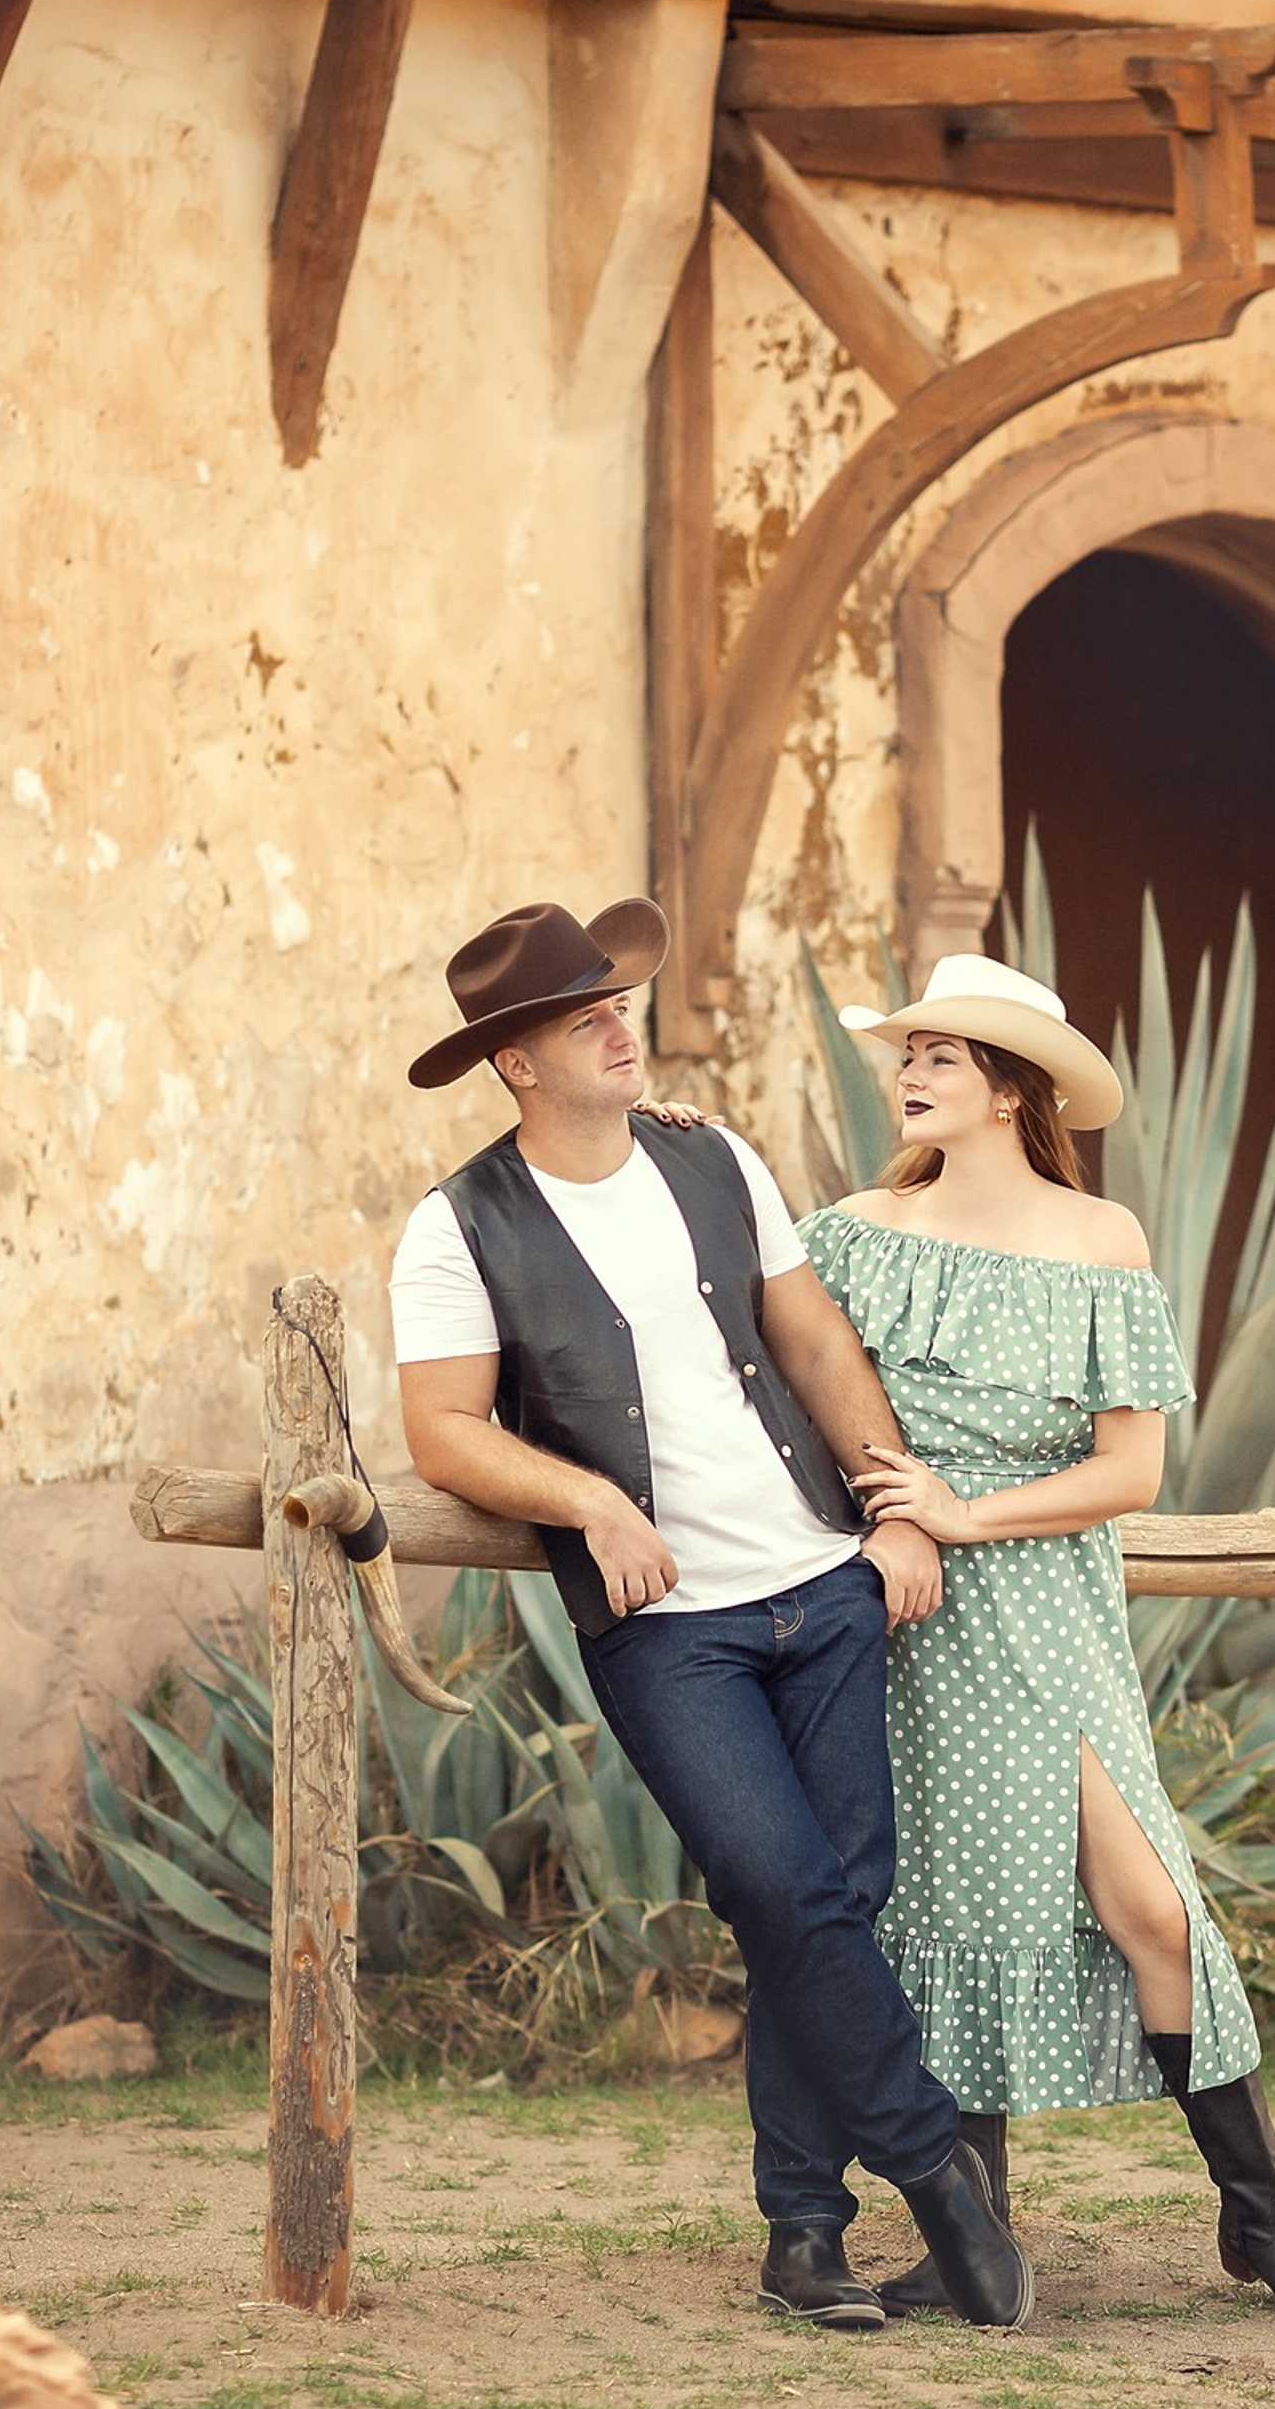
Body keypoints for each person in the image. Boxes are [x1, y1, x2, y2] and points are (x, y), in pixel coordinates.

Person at [388, 897, 1032, 2334]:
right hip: (672, 1629)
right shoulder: (457, 1227)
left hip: (822, 1581)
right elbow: (442, 1432)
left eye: (619, 1002)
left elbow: (809, 1336)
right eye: (583, 1017)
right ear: (518, 1063)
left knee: (832, 1904)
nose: (622, 1022)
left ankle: (803, 2236)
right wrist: (592, 1503)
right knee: (790, 1892)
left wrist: (893, 1506)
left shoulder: (711, 1156)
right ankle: (935, 2173)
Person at [797, 953, 1275, 2333]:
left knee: (1153, 1905)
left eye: (942, 1055)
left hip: (1049, 1609)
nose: (913, 1075)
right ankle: (965, 2235)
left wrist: (962, 1511)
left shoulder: (1101, 1239)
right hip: (911, 1613)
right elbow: (799, 1383)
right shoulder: (853, 1233)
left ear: (1011, 1088)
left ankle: (1257, 2218)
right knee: (953, 1903)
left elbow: (1131, 1473)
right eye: (909, 1053)